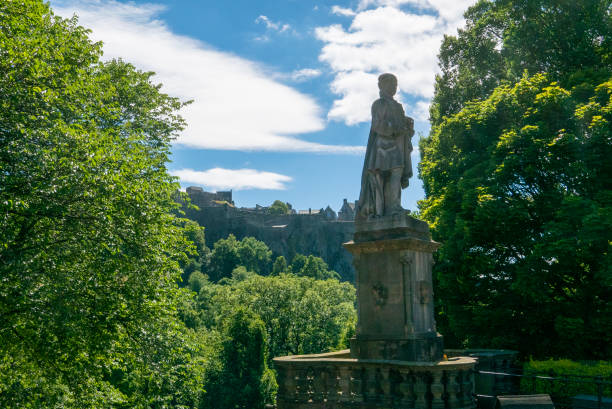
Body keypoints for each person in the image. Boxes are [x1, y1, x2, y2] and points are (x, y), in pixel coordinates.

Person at [357, 73, 414, 219]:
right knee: (381, 179)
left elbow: (403, 130)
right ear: (381, 86)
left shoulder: (398, 106)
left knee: (396, 174)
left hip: (396, 148)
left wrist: (407, 127)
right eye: (390, 83)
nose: (394, 87)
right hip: (382, 148)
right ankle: (383, 210)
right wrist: (397, 128)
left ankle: (394, 207)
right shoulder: (379, 104)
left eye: (395, 84)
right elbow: (377, 125)